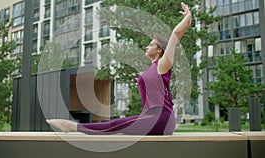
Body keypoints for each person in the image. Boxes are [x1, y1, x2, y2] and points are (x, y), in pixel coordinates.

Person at [46, 2, 191, 135]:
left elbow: (176, 34)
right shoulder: (152, 68)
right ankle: (73, 126)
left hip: (161, 118)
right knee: (119, 126)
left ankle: (71, 126)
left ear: (159, 50)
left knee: (116, 124)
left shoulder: (162, 65)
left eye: (151, 44)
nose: (147, 46)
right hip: (153, 117)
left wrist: (188, 18)